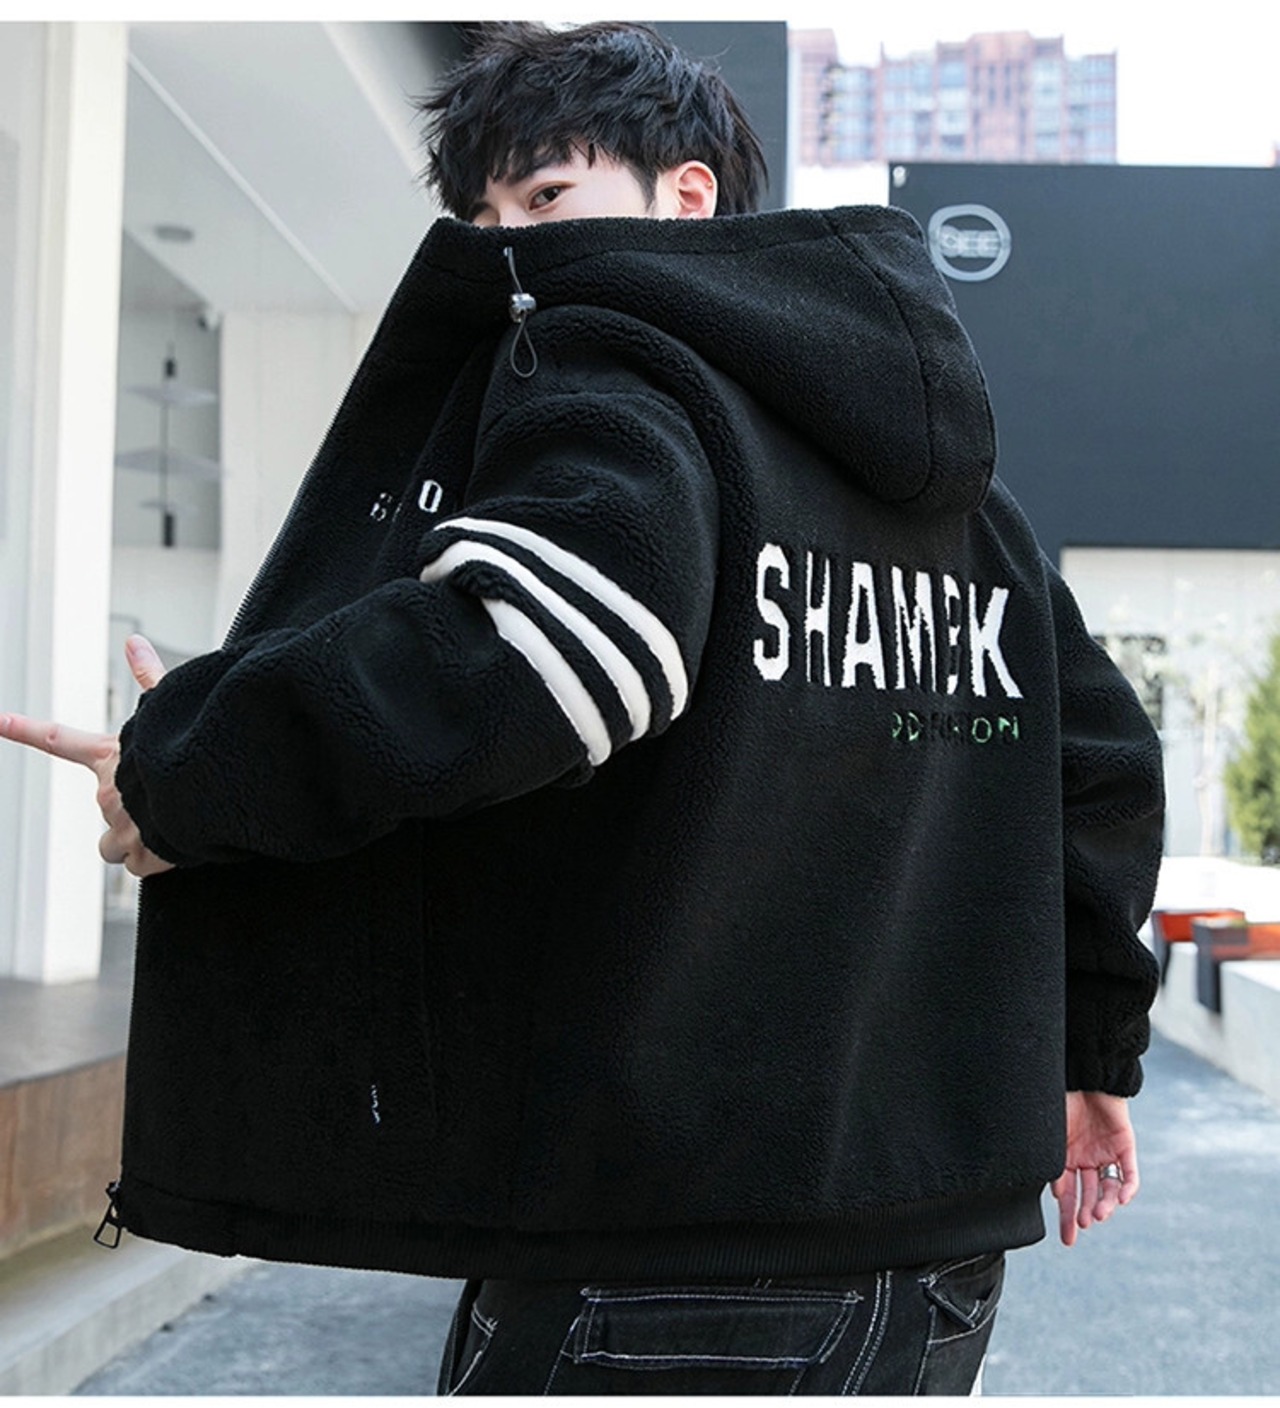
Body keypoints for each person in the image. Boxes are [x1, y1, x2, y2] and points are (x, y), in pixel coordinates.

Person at [0, 21, 1163, 1396]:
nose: (510, 250)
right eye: (484, 218)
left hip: (669, 1247)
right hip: (935, 1255)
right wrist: (1093, 1052)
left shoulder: (623, 367)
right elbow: (1101, 759)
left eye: (547, 198)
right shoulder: (970, 509)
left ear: (687, 195)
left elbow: (546, 651)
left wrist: (197, 764)